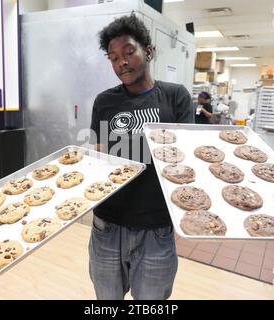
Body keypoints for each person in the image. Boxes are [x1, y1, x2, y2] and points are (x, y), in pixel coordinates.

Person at [88, 14, 193, 300]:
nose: (121, 62)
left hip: (155, 227)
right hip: (107, 225)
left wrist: (120, 150)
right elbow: (97, 156)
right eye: (113, 58)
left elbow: (182, 161)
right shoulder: (104, 101)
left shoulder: (175, 97)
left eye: (128, 52)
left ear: (148, 51)